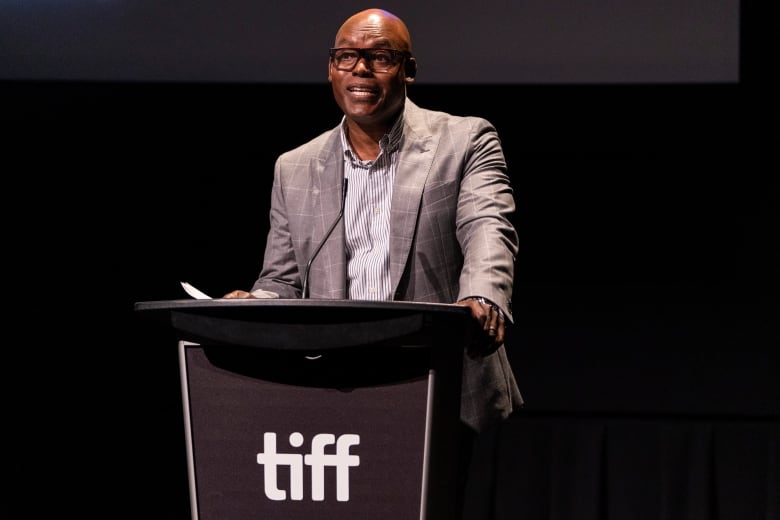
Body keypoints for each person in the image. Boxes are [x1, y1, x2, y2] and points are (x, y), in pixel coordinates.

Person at [223, 7, 522, 517]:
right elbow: (282, 279)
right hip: (332, 387)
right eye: (347, 57)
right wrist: (254, 303)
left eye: (379, 57)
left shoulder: (465, 139)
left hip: (434, 381)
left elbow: (487, 226)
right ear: (331, 69)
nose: (360, 70)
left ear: (407, 70)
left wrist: (483, 295)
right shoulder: (294, 166)